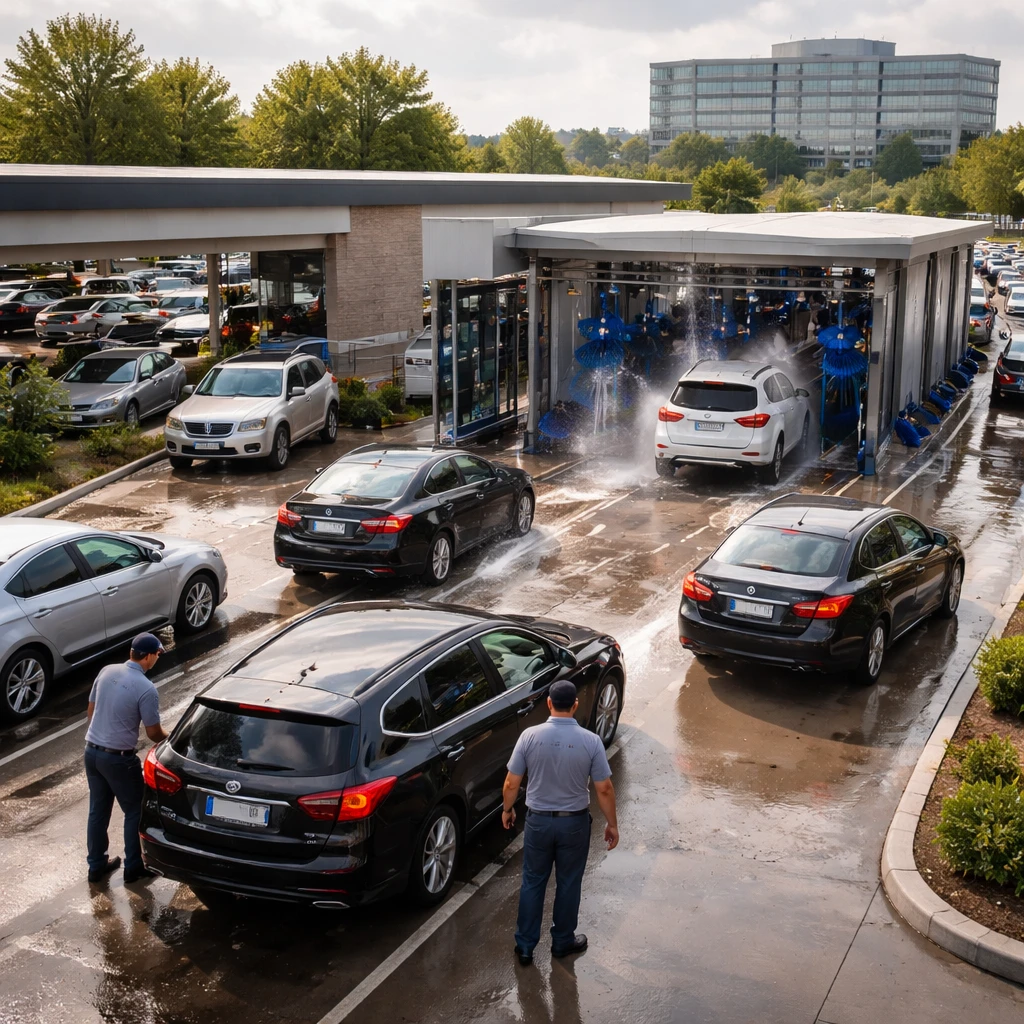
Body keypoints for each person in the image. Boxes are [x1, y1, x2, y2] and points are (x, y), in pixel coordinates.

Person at [501, 679, 619, 966]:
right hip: (574, 825)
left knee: (532, 882)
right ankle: (562, 941)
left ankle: (526, 946)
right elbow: (603, 788)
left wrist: (507, 810)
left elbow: (511, 782)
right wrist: (612, 824)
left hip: (538, 823)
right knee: (568, 883)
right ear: (576, 705)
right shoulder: (590, 741)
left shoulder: (529, 736)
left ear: (549, 703)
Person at [84, 633, 167, 884]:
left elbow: (91, 711)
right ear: (149, 656)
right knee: (135, 810)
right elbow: (153, 733)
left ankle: (96, 866)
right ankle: (134, 867)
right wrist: (173, 739)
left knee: (98, 810)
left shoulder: (106, 671)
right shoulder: (146, 689)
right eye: (158, 654)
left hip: (92, 752)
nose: (158, 659)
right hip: (119, 760)